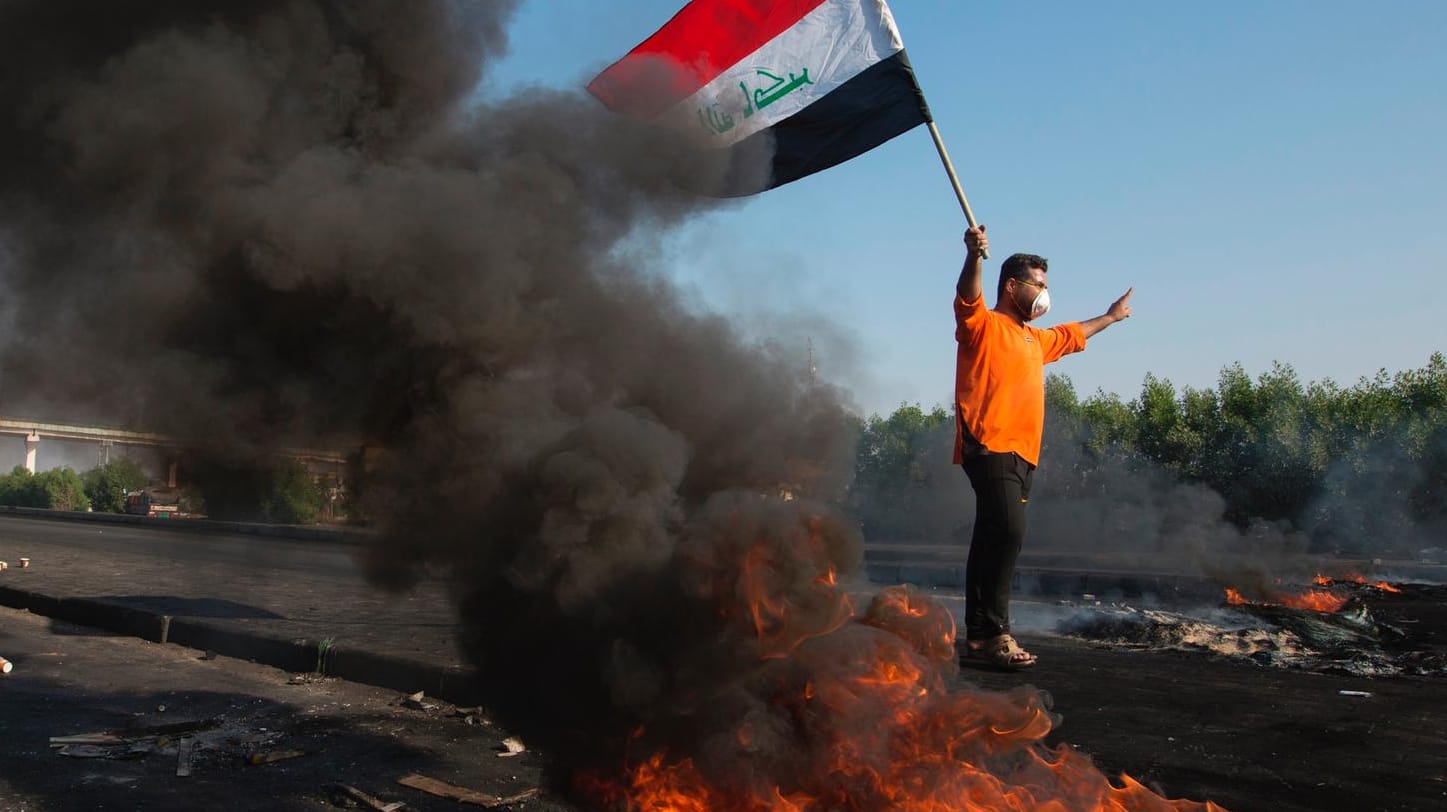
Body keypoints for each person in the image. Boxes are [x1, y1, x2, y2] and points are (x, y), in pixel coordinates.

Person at [953, 224, 1132, 670]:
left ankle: (977, 639)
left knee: (992, 538)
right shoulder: (984, 327)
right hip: (989, 444)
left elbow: (1074, 333)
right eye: (1039, 285)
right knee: (1010, 533)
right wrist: (974, 255)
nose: (1045, 294)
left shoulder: (1036, 340)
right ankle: (997, 634)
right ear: (1012, 286)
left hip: (1023, 455)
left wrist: (1110, 317)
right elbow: (968, 298)